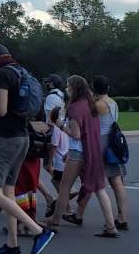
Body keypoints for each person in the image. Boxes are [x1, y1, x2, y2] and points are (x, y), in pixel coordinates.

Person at [0, 43, 56, 254]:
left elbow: (0, 109)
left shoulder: (2, 74)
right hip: (23, 137)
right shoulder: (21, 72)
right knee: (9, 192)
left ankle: (39, 231)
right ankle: (12, 244)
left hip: (6, 139)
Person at [46, 76, 118, 237]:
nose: (66, 89)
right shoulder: (90, 104)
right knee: (99, 188)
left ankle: (55, 221)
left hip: (77, 151)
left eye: (68, 86)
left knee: (64, 187)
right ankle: (111, 226)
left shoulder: (74, 108)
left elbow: (76, 134)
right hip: (92, 150)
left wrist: (60, 124)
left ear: (74, 88)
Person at [77, 76, 130, 229]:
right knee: (117, 182)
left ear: (94, 88)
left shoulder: (97, 104)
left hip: (100, 143)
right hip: (113, 142)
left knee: (91, 179)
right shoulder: (113, 103)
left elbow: (83, 117)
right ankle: (122, 217)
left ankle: (79, 214)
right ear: (108, 88)